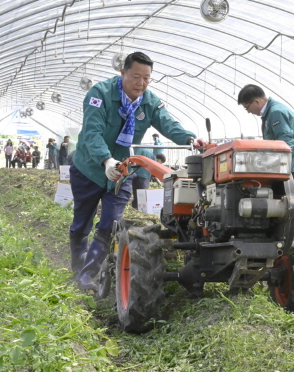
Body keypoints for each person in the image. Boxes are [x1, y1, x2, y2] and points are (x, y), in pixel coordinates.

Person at [69, 51, 202, 292]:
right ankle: (77, 266)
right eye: (136, 76)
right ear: (123, 73)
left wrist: (191, 139)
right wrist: (106, 160)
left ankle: (88, 275)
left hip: (123, 172)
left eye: (147, 78)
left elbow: (168, 124)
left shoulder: (150, 101)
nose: (141, 83)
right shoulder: (100, 94)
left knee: (110, 224)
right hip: (90, 169)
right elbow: (92, 132)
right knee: (81, 223)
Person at [237, 84, 294, 187]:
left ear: (257, 101)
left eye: (247, 107)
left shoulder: (276, 112)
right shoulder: (271, 112)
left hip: (287, 166)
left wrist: (282, 167)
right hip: (287, 165)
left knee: (281, 198)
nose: (248, 112)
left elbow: (286, 143)